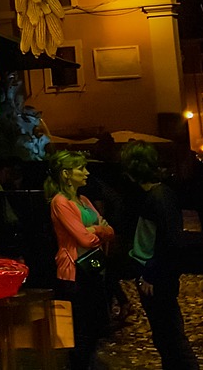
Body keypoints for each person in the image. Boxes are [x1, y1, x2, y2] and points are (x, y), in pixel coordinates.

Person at [121, 142, 199, 370]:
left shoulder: (160, 197)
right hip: (152, 274)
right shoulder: (156, 195)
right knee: (165, 338)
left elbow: (171, 242)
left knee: (172, 337)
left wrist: (151, 275)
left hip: (156, 278)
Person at [47, 150, 115, 370]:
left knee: (95, 327)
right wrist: (98, 230)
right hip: (74, 271)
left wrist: (95, 229)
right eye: (81, 168)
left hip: (93, 267)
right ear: (66, 174)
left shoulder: (83, 200)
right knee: (80, 331)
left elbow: (110, 230)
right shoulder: (60, 202)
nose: (86, 173)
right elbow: (83, 239)